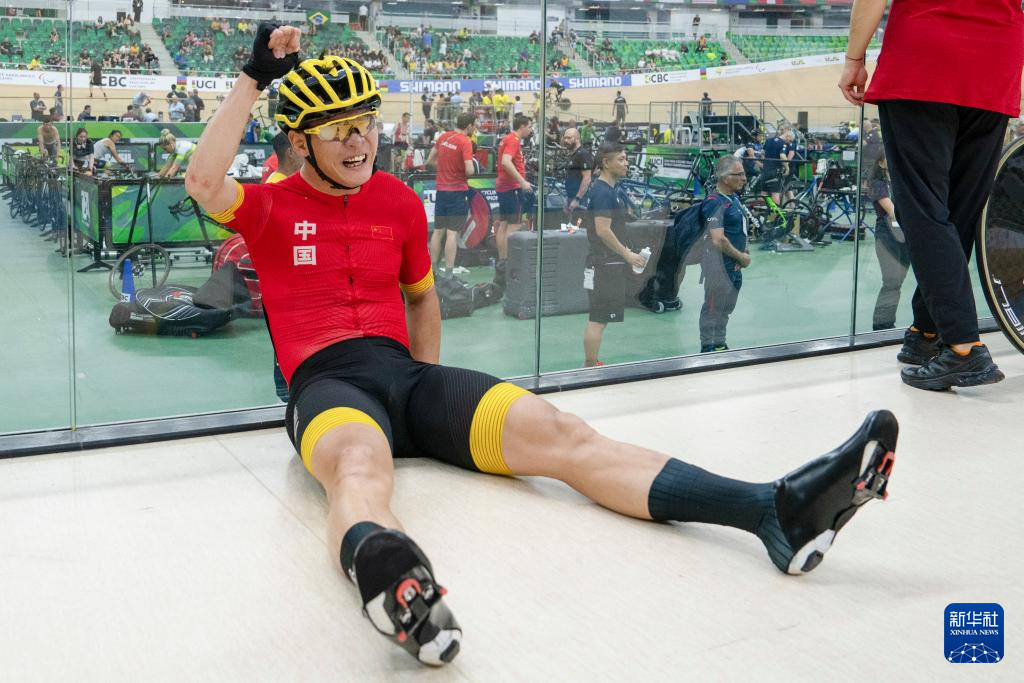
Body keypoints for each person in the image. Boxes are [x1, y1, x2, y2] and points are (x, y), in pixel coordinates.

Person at [185, 26, 899, 668]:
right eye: (339, 130)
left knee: (565, 433)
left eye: (366, 123)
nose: (359, 142)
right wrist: (253, 77)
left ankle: (772, 511)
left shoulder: (398, 202)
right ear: (300, 141)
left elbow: (422, 297)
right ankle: (395, 582)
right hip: (327, 386)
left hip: (407, 378)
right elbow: (203, 180)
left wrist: (424, 394)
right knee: (358, 466)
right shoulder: (271, 204)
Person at [839, 0, 1022, 390]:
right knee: (960, 210)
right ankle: (928, 331)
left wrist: (854, 59)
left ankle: (963, 348)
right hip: (997, 64)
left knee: (921, 208)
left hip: (924, 61)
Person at [582, 143, 646, 367]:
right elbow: (603, 231)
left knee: (600, 319)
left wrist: (627, 251)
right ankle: (590, 367)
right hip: (603, 266)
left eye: (626, 158)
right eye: (621, 159)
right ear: (606, 163)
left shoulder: (609, 190)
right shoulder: (602, 192)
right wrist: (627, 255)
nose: (626, 163)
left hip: (604, 263)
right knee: (598, 320)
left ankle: (591, 363)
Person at [699, 156, 751, 353]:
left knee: (725, 309)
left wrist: (744, 251)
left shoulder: (733, 199)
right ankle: (708, 348)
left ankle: (720, 343)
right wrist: (741, 257)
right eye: (739, 174)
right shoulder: (714, 202)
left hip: (734, 267)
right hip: (718, 267)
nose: (744, 178)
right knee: (713, 309)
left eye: (744, 173)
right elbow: (718, 240)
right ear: (725, 177)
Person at [425, 112, 477, 274]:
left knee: (437, 231)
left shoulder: (443, 137)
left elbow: (429, 161)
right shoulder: (465, 141)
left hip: (441, 191)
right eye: (474, 125)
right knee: (452, 234)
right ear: (469, 125)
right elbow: (470, 170)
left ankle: (432, 272)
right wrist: (461, 170)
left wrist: (445, 169)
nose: (475, 128)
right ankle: (449, 275)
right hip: (457, 192)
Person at [866, 155, 910, 330]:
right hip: (887, 235)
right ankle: (882, 325)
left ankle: (887, 321)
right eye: (887, 157)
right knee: (891, 281)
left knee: (897, 281)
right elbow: (892, 212)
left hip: (905, 235)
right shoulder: (877, 184)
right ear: (880, 163)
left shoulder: (900, 182)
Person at [492, 114, 534, 288]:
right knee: (513, 226)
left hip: (504, 187)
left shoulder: (507, 139)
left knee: (503, 225)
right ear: (522, 126)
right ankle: (508, 263)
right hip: (511, 188)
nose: (531, 129)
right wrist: (522, 181)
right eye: (529, 126)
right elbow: (506, 162)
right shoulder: (513, 140)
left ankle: (502, 263)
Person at [562, 127, 593, 222]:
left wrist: (577, 199)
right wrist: (567, 199)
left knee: (579, 226)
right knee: (571, 226)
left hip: (580, 199)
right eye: (565, 138)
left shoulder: (583, 154)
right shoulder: (573, 154)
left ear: (577, 139)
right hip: (571, 196)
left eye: (569, 138)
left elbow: (587, 178)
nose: (566, 141)